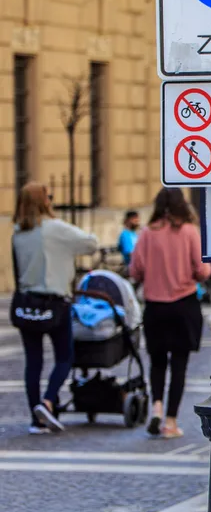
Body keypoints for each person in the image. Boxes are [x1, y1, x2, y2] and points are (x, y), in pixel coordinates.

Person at [11, 183, 98, 434]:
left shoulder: (18, 232)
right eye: (49, 197)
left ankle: (35, 418)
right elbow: (90, 244)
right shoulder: (56, 229)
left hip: (27, 303)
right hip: (54, 302)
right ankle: (48, 401)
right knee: (64, 356)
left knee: (33, 362)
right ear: (44, 201)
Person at [130, 188, 211, 439]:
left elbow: (135, 270)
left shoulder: (146, 233)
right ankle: (170, 421)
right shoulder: (189, 232)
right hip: (183, 305)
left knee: (157, 362)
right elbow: (203, 271)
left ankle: (156, 406)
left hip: (155, 306)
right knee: (179, 365)